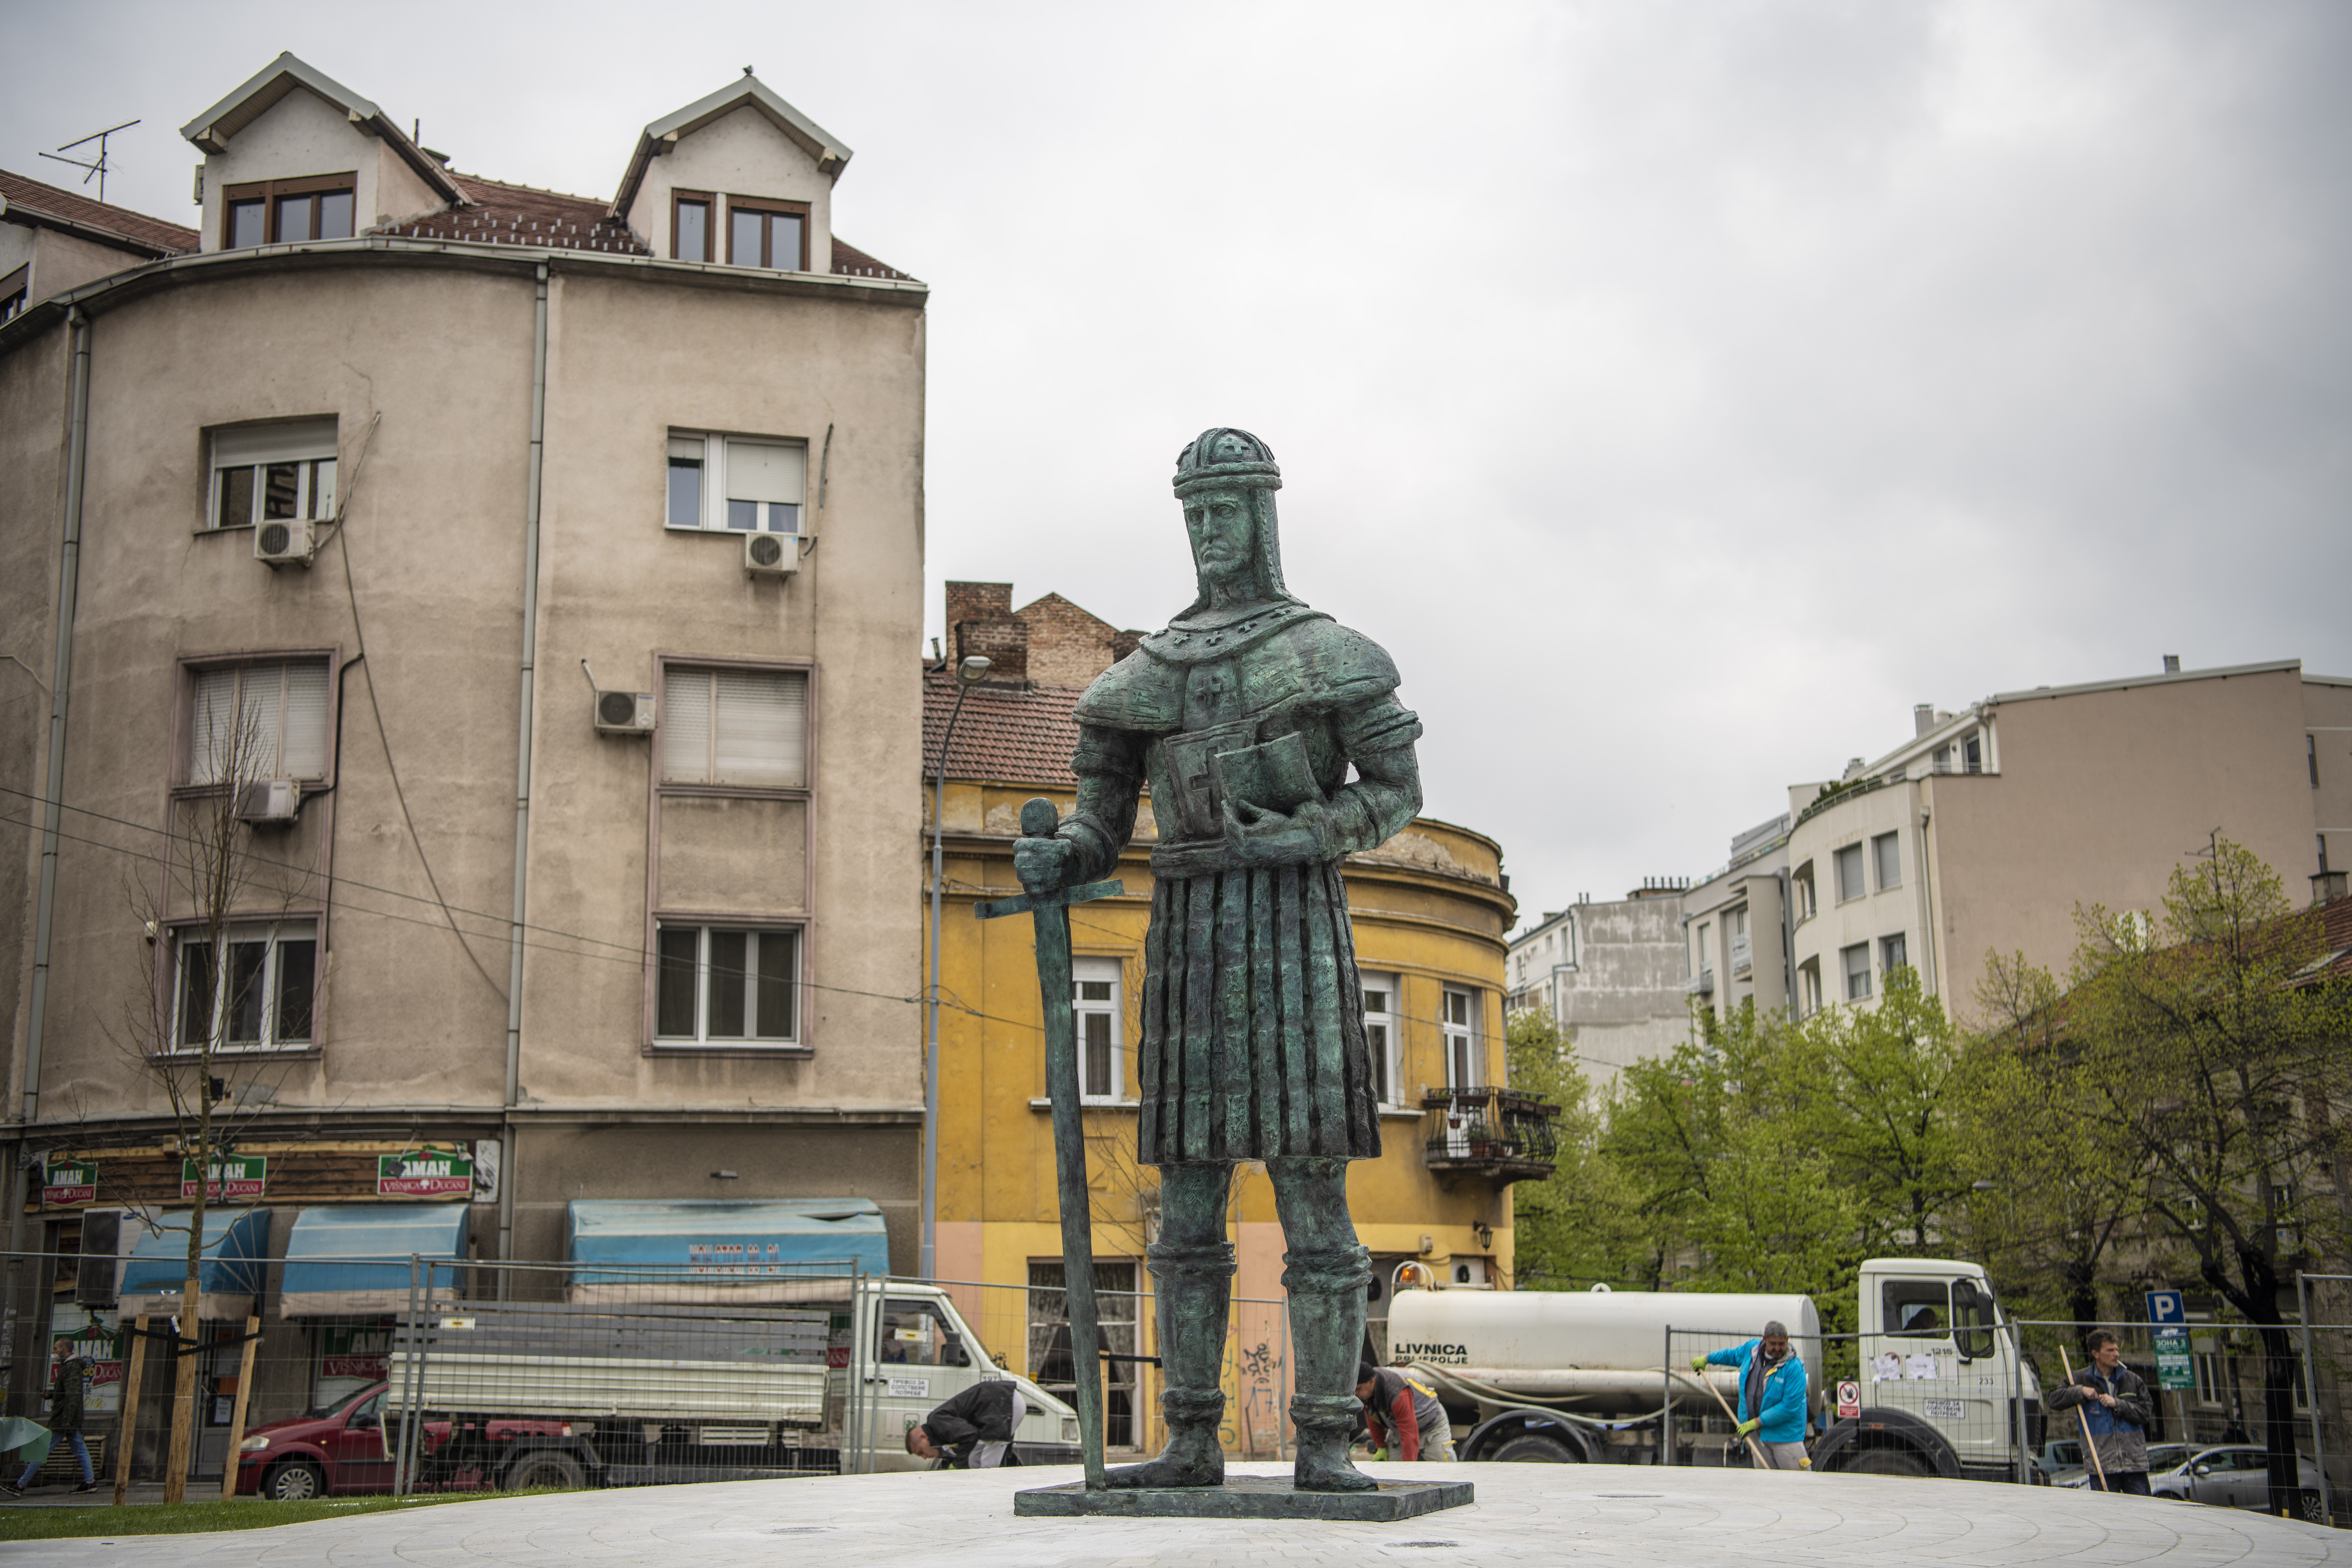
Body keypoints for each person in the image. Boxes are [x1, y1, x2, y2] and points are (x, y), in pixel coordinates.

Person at [1014, 429, 1424, 1494]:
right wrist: (1059, 855)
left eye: (1224, 510)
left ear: (1261, 514)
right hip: (1190, 937)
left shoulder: (1327, 651)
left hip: (1294, 927)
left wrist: (1309, 833)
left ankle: (1327, 1439)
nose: (1207, 531)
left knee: (1314, 1202)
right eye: (1193, 513)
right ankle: (1190, 1436)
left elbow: (1393, 790)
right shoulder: (1142, 677)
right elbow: (1102, 825)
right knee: (1186, 1207)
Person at [2048, 1329, 2152, 1495]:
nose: (2117, 1354)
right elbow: (2053, 1400)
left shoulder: (2132, 1380)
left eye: (2117, 1350)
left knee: (2144, 1512)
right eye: (2110, 1350)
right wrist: (2080, 1392)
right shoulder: (2080, 1379)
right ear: (2096, 1354)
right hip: (2101, 1463)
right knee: (2107, 1514)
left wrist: (2118, 1404)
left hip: (2134, 1463)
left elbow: (2146, 1413)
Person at [1694, 1320, 1809, 1471]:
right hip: (1757, 1435)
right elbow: (1732, 1356)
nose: (1777, 1348)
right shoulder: (1752, 1351)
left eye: (1782, 1344)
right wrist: (1708, 1359)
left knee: (1798, 1483)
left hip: (1786, 1437)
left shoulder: (1794, 1368)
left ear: (1787, 1340)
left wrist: (1757, 1422)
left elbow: (1788, 1407)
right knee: (1765, 1482)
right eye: (1773, 1344)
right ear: (1764, 1340)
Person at [3, 1351, 95, 1495]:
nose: (53, 1352)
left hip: (63, 1420)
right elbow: (67, 1393)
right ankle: (90, 1482)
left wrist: (67, 1419)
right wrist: (51, 1394)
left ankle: (20, 1485)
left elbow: (73, 1395)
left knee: (42, 1450)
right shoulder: (68, 1366)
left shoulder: (71, 1367)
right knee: (81, 1450)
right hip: (67, 1419)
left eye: (56, 1349)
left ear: (65, 1350)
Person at [904, 1379, 1030, 1470]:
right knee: (980, 1459)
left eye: (921, 1452)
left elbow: (971, 1435)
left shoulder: (937, 1423)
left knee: (984, 1462)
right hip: (1005, 1400)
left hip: (1004, 1402)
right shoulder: (938, 1428)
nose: (925, 1457)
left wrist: (958, 1465)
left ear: (923, 1437)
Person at [1355, 1363, 1455, 1462]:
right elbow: (1372, 1416)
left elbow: (1409, 1433)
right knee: (1391, 1469)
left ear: (1371, 1382)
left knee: (1445, 1469)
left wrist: (1408, 1468)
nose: (1356, 1393)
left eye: (1358, 1389)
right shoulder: (1366, 1390)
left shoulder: (1398, 1393)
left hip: (1431, 1426)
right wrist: (1381, 1446)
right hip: (1399, 1429)